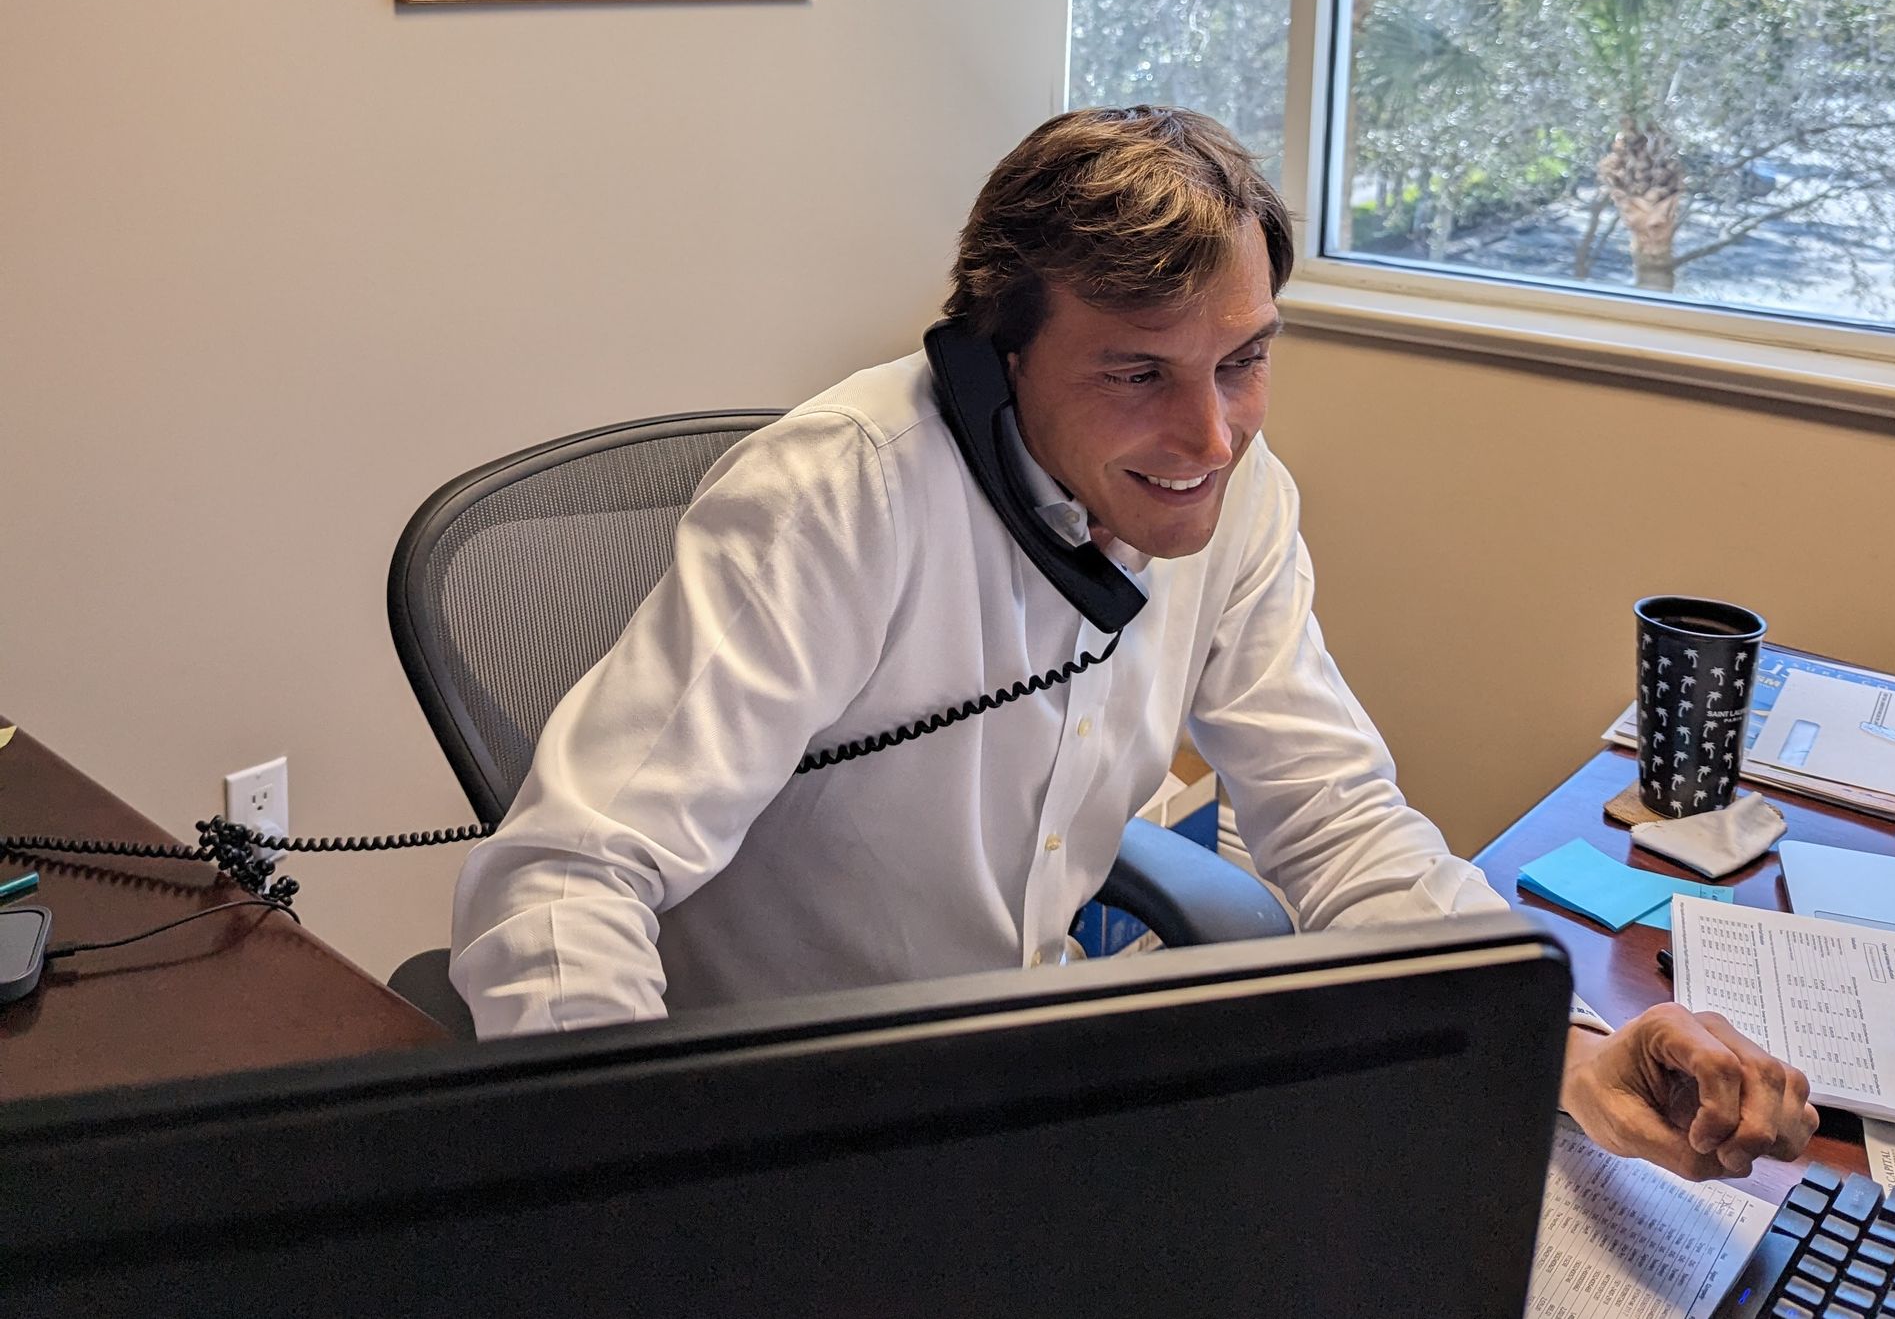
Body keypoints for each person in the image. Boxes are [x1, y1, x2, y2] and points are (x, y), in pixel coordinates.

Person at [452, 105, 1816, 1184]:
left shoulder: (1238, 497)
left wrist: (1559, 1035)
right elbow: (566, 878)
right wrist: (631, 1180)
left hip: (1031, 1105)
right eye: (1138, 371)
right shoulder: (834, 502)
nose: (1213, 437)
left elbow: (1337, 821)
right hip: (771, 1127)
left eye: (1243, 360)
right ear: (991, 358)